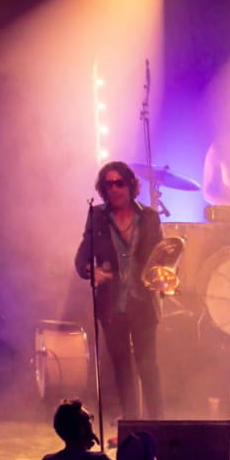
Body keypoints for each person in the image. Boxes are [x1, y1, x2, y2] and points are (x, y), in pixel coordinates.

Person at [75, 160, 164, 419]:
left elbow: (161, 256)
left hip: (143, 302)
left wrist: (163, 275)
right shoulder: (97, 217)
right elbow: (82, 259)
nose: (114, 189)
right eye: (108, 184)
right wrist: (92, 271)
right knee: (122, 368)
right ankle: (132, 423)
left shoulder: (148, 217)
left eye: (119, 183)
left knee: (148, 366)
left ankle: (158, 422)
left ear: (130, 185)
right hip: (112, 306)